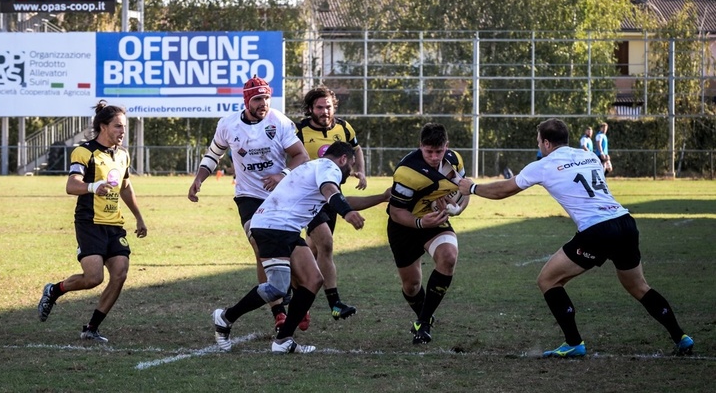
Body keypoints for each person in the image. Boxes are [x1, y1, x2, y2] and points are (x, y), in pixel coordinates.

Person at [457, 118, 694, 358]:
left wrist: (473, 188)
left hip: (597, 230)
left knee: (548, 280)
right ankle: (681, 337)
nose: (538, 146)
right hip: (624, 222)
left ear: (546, 143)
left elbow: (504, 189)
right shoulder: (588, 155)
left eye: (539, 141)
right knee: (639, 287)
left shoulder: (543, 165)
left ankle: (573, 343)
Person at [212, 142, 388, 353]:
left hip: (285, 228)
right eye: (351, 164)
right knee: (277, 287)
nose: (350, 171)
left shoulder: (315, 167)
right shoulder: (328, 167)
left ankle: (283, 340)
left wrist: (382, 197)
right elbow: (331, 192)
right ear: (343, 159)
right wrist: (347, 213)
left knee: (314, 279)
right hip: (273, 227)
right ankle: (225, 317)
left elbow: (341, 198)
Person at [188, 75, 310, 331]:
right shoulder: (228, 125)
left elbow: (301, 155)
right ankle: (278, 311)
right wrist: (199, 178)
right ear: (246, 101)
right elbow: (213, 154)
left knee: (286, 250)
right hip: (249, 197)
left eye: (266, 98)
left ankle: (295, 293)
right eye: (257, 99)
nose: (263, 103)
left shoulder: (279, 122)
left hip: (280, 196)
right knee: (260, 245)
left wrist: (282, 175)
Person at [37, 100, 148, 343]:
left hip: (114, 223)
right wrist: (92, 186)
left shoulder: (122, 155)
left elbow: (125, 187)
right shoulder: (84, 151)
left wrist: (139, 217)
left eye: (124, 126)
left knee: (120, 273)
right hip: (90, 222)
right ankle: (54, 290)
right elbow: (71, 185)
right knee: (93, 278)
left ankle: (91, 328)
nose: (122, 131)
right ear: (103, 126)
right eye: (118, 126)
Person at [387, 123, 469, 345]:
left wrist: (457, 209)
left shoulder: (455, 160)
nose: (434, 157)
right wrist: (420, 222)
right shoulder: (407, 172)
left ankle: (423, 323)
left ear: (446, 147)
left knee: (448, 257)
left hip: (435, 222)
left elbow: (465, 191)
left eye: (438, 151)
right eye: (428, 151)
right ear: (420, 146)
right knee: (411, 286)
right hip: (405, 225)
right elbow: (396, 212)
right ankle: (423, 318)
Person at [295, 85, 366, 320]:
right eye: (319, 107)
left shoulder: (343, 127)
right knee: (325, 243)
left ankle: (294, 289)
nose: (324, 111)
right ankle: (335, 304)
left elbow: (356, 149)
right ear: (310, 109)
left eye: (328, 107)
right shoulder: (299, 130)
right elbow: (289, 155)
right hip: (308, 197)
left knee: (314, 248)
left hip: (332, 196)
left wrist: (360, 171)